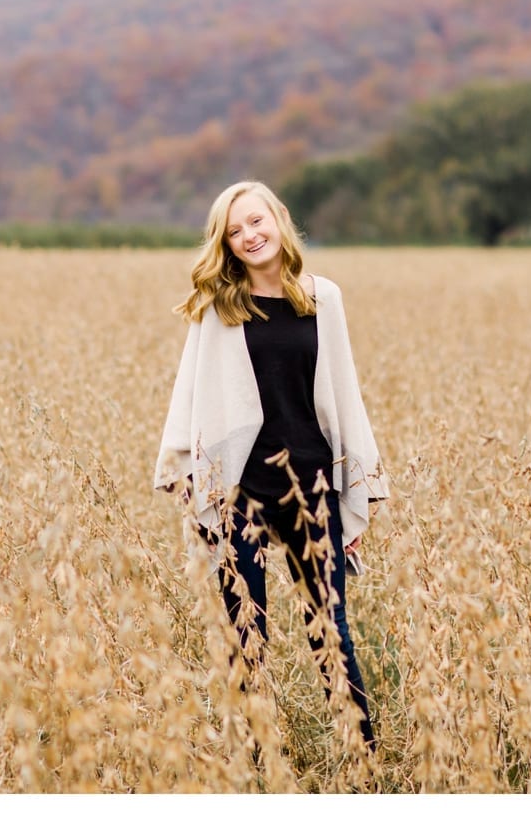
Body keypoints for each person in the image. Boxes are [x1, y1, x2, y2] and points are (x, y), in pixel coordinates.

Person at [155, 179, 389, 748]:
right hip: (240, 492)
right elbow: (192, 395)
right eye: (234, 232)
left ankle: (364, 759)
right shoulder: (218, 307)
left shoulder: (323, 298)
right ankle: (255, 763)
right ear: (226, 246)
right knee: (245, 633)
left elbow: (343, 393)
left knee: (329, 632)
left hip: (313, 488)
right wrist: (193, 483)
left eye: (256, 222)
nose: (249, 236)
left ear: (279, 219)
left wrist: (351, 492)